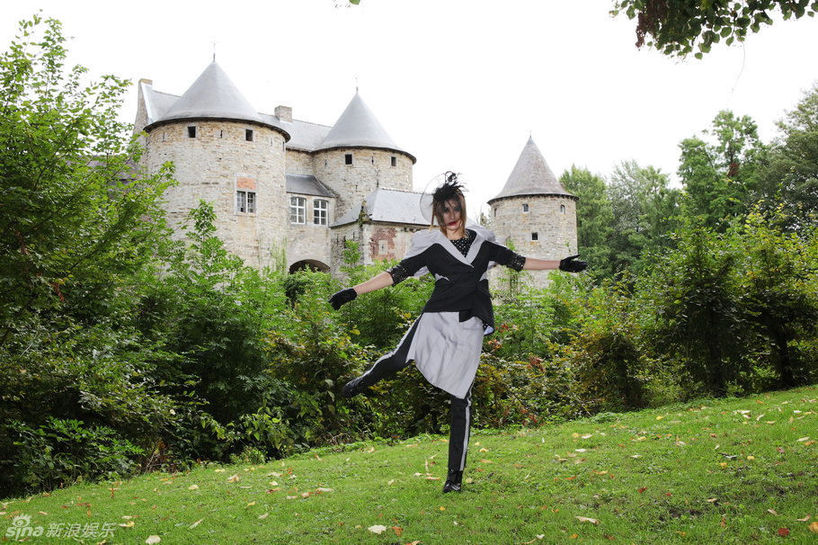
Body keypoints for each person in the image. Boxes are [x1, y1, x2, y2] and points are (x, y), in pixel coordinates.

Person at [328, 173, 586, 493]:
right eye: (444, 211)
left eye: (455, 208)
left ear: (462, 209)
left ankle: (454, 478)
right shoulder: (431, 248)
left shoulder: (484, 245)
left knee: (461, 398)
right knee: (397, 359)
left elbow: (518, 261)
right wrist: (352, 292)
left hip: (468, 325)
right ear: (438, 215)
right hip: (435, 318)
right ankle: (362, 381)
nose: (451, 216)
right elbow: (395, 275)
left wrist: (560, 263)